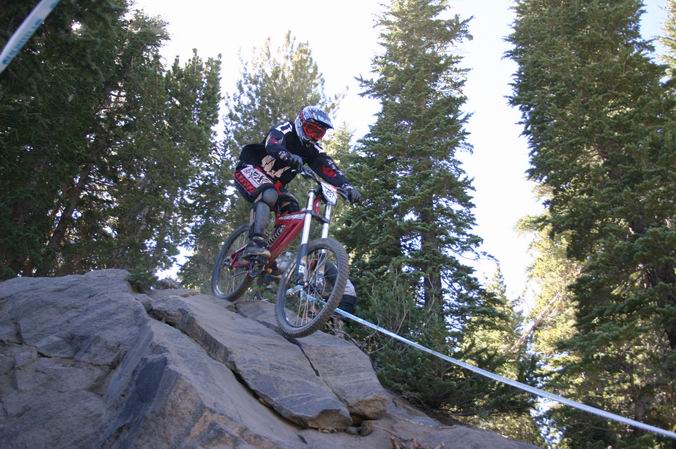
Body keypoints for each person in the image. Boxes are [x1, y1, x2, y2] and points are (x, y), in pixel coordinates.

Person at [233, 105, 361, 316]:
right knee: (267, 193)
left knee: (291, 209)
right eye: (311, 130)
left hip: (274, 186)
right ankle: (256, 242)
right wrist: (287, 155)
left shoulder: (313, 150)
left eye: (318, 134)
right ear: (301, 123)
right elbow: (272, 143)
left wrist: (346, 186)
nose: (313, 136)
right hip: (249, 169)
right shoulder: (286, 129)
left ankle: (270, 254)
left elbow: (329, 168)